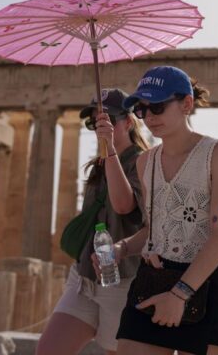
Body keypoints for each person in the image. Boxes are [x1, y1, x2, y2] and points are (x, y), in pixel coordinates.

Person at [103, 66, 218, 355]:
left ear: (186, 104)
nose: (149, 116)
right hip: (154, 278)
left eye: (158, 106)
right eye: (141, 110)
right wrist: (121, 248)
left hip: (206, 281)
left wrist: (180, 294)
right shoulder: (145, 163)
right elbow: (155, 227)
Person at [36, 88, 149, 355]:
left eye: (107, 119)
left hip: (122, 280)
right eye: (93, 121)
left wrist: (110, 148)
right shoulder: (97, 165)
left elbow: (124, 206)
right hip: (84, 276)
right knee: (48, 350)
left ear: (128, 123)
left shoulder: (143, 162)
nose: (99, 127)